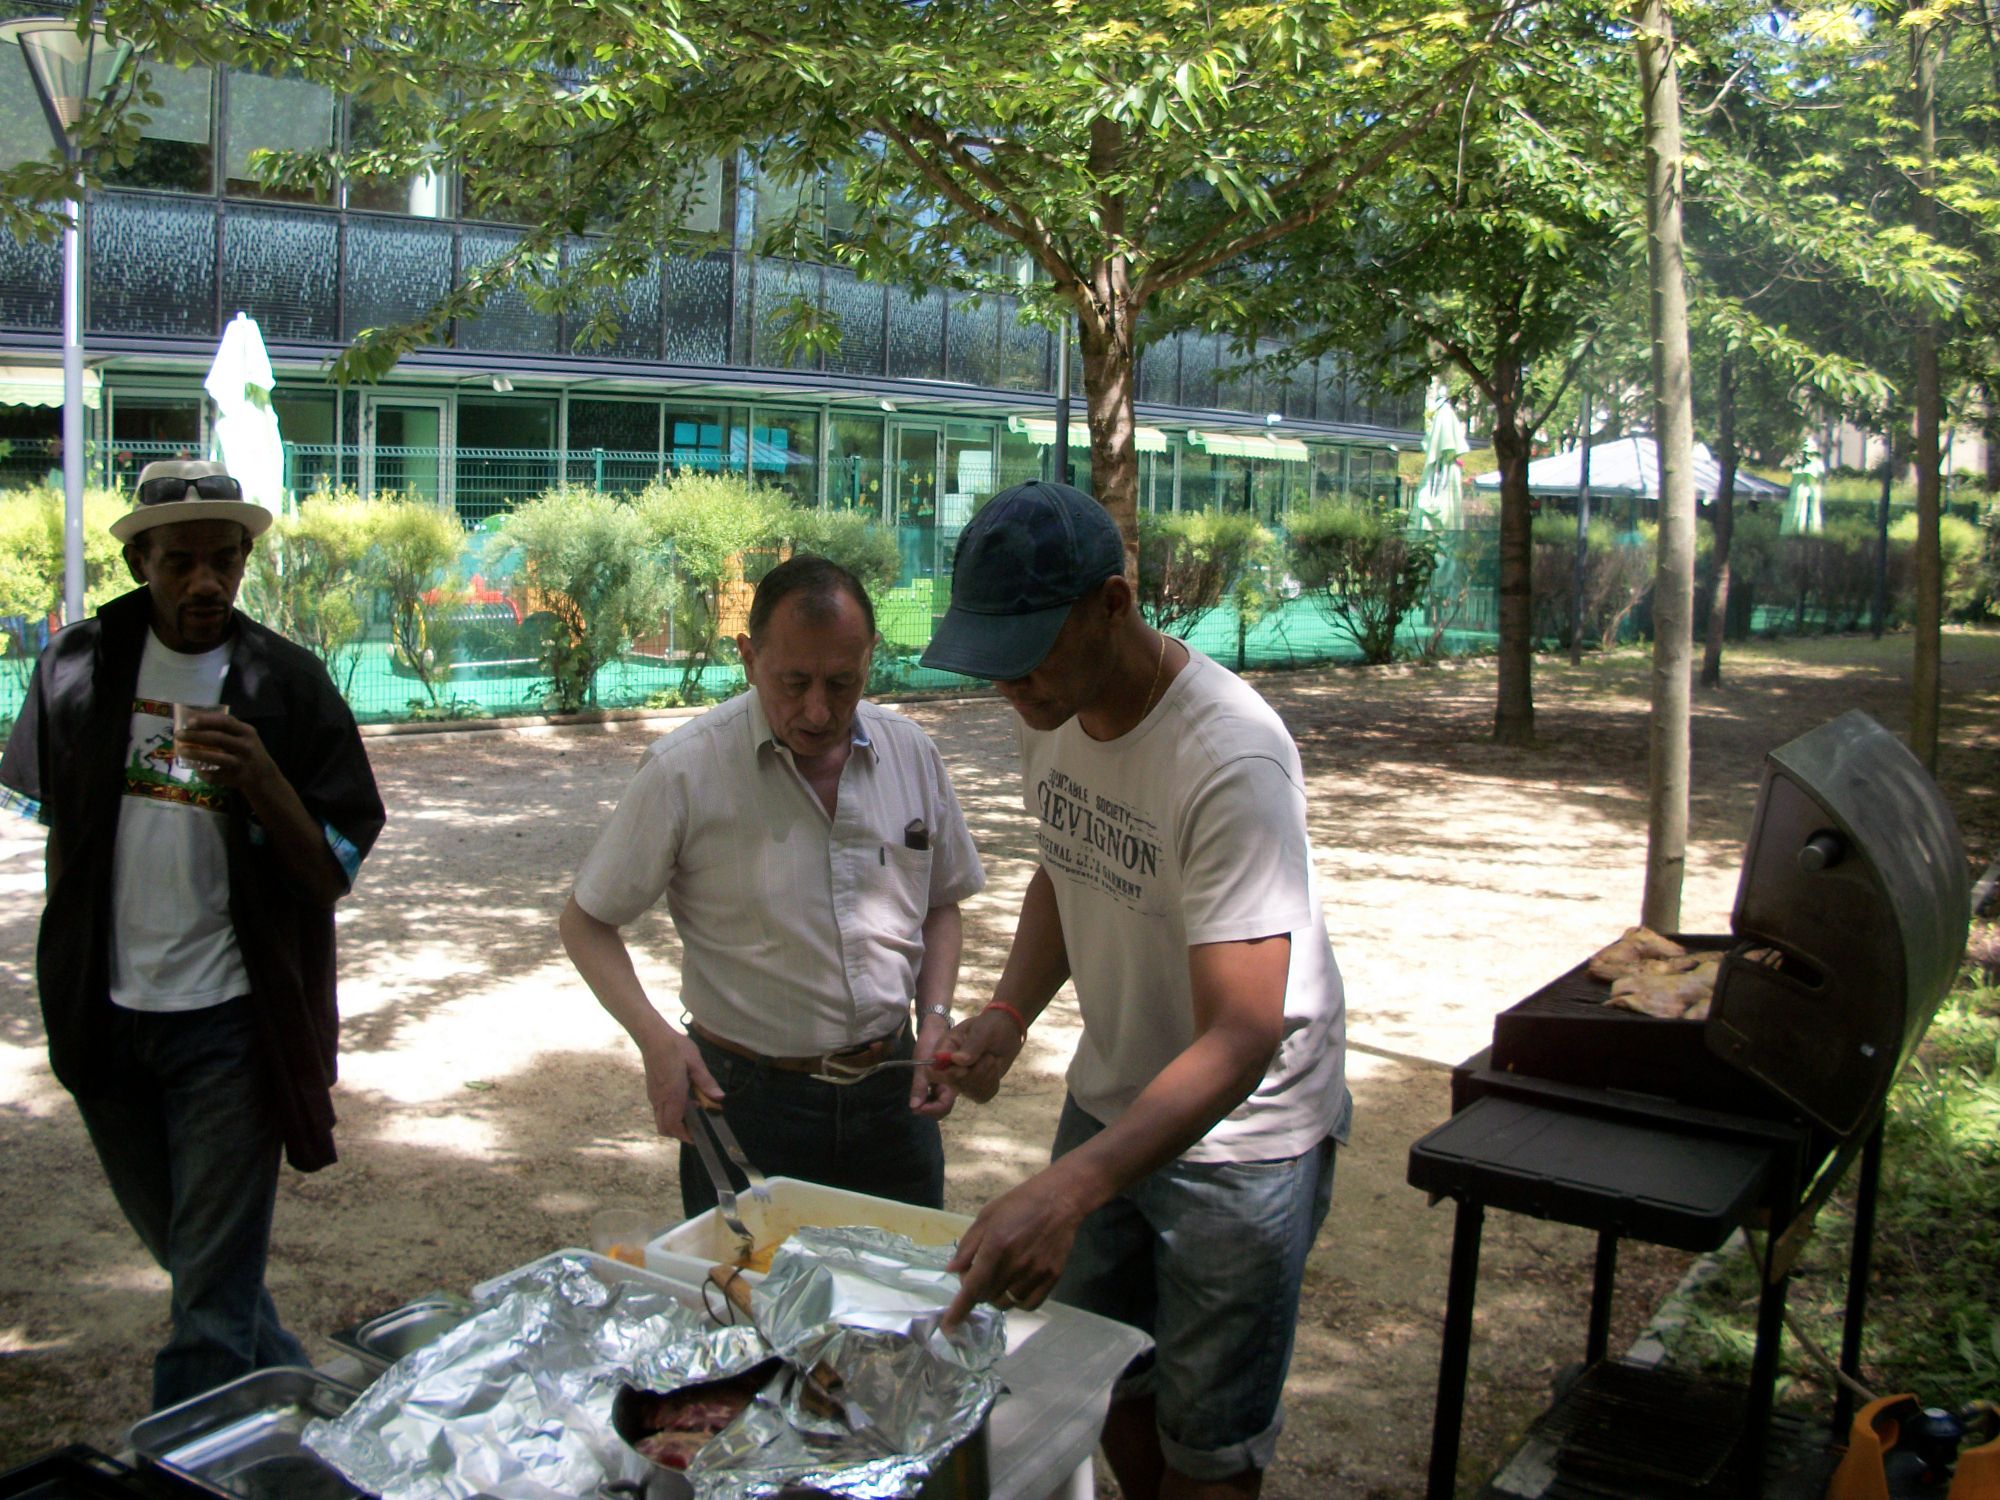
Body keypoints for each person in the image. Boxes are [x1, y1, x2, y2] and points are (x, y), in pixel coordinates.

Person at [920, 480, 1350, 1500]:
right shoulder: (1052, 704)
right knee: (1101, 1374)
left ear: (1112, 605)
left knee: (1209, 1444)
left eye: (1028, 650)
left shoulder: (1229, 758)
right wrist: (1007, 1013)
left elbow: (1243, 1034)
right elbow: (1068, 863)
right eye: (991, 654)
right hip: (1116, 1095)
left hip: (1244, 1137)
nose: (1008, 683)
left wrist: (1067, 1189)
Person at [0, 459, 385, 1411]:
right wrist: (72, 973)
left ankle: (181, 1455)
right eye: (180, 562)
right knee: (200, 1261)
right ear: (141, 562)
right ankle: (306, 1399)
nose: (205, 582)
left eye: (224, 559)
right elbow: (60, 836)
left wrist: (261, 778)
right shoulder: (76, 668)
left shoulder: (285, 685)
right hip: (105, 1021)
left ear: (246, 559)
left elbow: (330, 868)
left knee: (205, 1308)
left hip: (231, 1027)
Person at [559, 554, 984, 1215]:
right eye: (794, 682)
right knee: (748, 1278)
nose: (818, 710)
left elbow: (940, 903)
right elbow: (587, 922)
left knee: (906, 1277)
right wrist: (656, 1039)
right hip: (746, 1101)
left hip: (893, 1094)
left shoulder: (911, 753)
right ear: (749, 658)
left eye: (842, 682)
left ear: (871, 654)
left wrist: (934, 1020)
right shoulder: (685, 769)